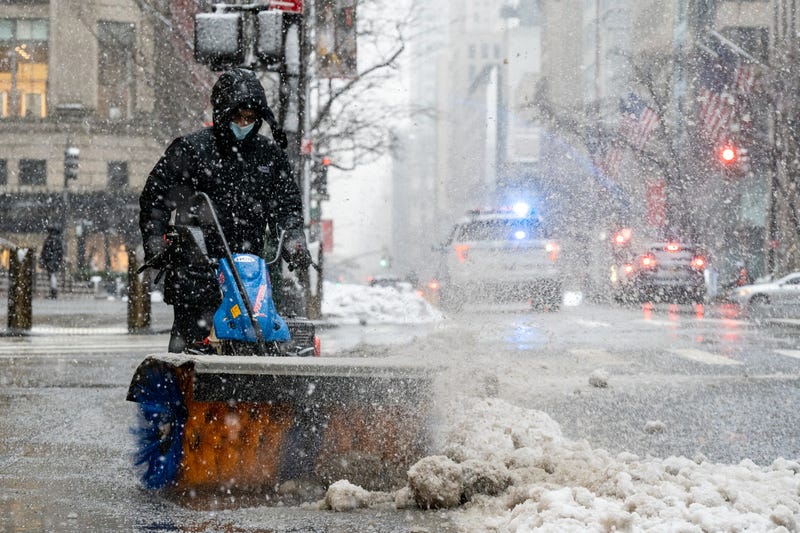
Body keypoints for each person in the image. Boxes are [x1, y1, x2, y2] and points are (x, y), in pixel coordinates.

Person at [139, 68, 312, 353]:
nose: (243, 124)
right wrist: (156, 240)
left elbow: (287, 206)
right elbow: (155, 198)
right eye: (237, 117)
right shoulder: (191, 151)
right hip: (197, 272)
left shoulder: (269, 157)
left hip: (250, 274)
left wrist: (293, 240)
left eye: (250, 118)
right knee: (192, 348)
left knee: (257, 339)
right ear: (222, 113)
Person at [40, 226, 64, 299]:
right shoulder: (57, 240)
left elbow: (45, 252)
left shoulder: (50, 240)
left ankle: (53, 292)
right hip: (53, 261)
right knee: (52, 276)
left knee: (52, 276)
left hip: (51, 261)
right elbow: (60, 252)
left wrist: (45, 259)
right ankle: (53, 292)